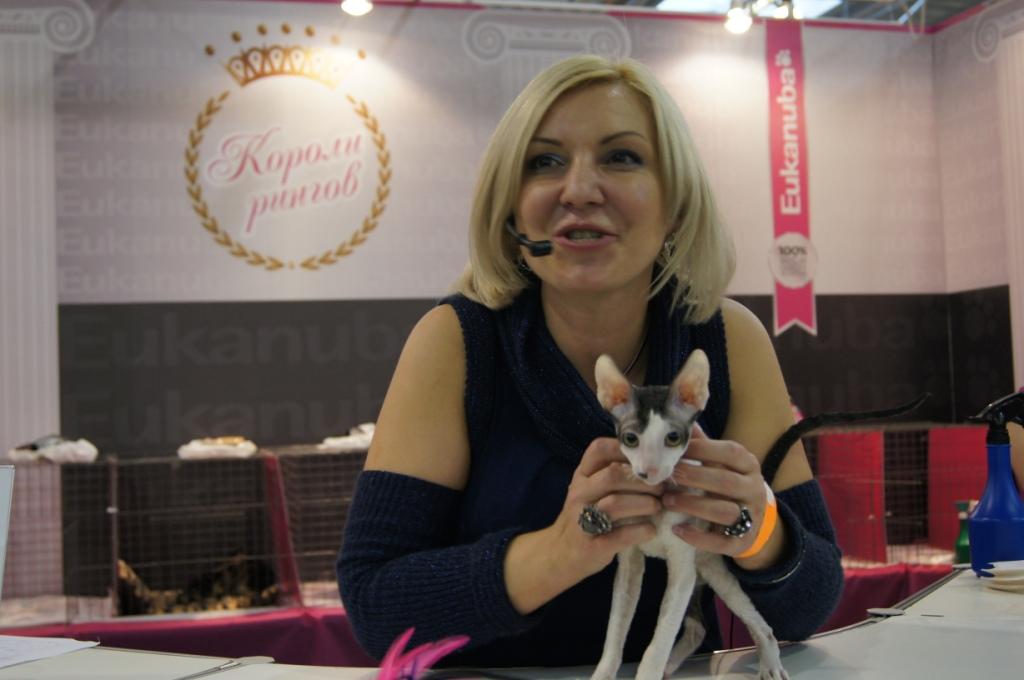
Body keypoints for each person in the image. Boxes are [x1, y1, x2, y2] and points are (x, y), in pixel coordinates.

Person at [337, 54, 843, 668]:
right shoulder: (455, 342)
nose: (578, 190)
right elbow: (376, 608)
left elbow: (812, 604)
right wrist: (561, 551)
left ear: (676, 205)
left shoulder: (729, 339)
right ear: (511, 209)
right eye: (545, 162)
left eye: (621, 157)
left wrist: (757, 530)